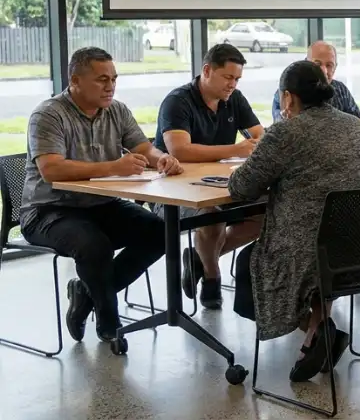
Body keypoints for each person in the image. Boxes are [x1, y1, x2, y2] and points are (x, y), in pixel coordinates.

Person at [229, 60, 360, 382]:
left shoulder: (285, 132)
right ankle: (316, 337)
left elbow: (241, 188)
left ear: (288, 98)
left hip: (317, 256)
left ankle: (320, 331)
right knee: (315, 242)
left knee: (252, 262)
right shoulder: (353, 126)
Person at [21, 47, 183, 343]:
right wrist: (114, 167)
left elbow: (142, 148)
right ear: (75, 80)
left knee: (161, 232)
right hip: (49, 210)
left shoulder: (117, 110)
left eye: (114, 79)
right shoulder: (47, 114)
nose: (110, 87)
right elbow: (51, 170)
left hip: (101, 203)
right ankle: (110, 325)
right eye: (101, 80)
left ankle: (86, 293)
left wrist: (160, 158)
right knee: (94, 246)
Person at [153, 43, 265, 309]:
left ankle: (200, 261)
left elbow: (260, 136)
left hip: (221, 186)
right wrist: (236, 149)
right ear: (206, 71)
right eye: (228, 77)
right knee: (211, 218)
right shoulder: (177, 101)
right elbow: (179, 150)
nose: (233, 85)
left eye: (237, 79)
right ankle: (212, 277)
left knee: (266, 213)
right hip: (172, 190)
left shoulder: (234, 99)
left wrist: (259, 143)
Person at [271, 41, 360, 133]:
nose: (323, 71)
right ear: (305, 63)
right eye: (317, 64)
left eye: (329, 65)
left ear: (335, 67)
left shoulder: (340, 90)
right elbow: (283, 135)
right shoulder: (288, 93)